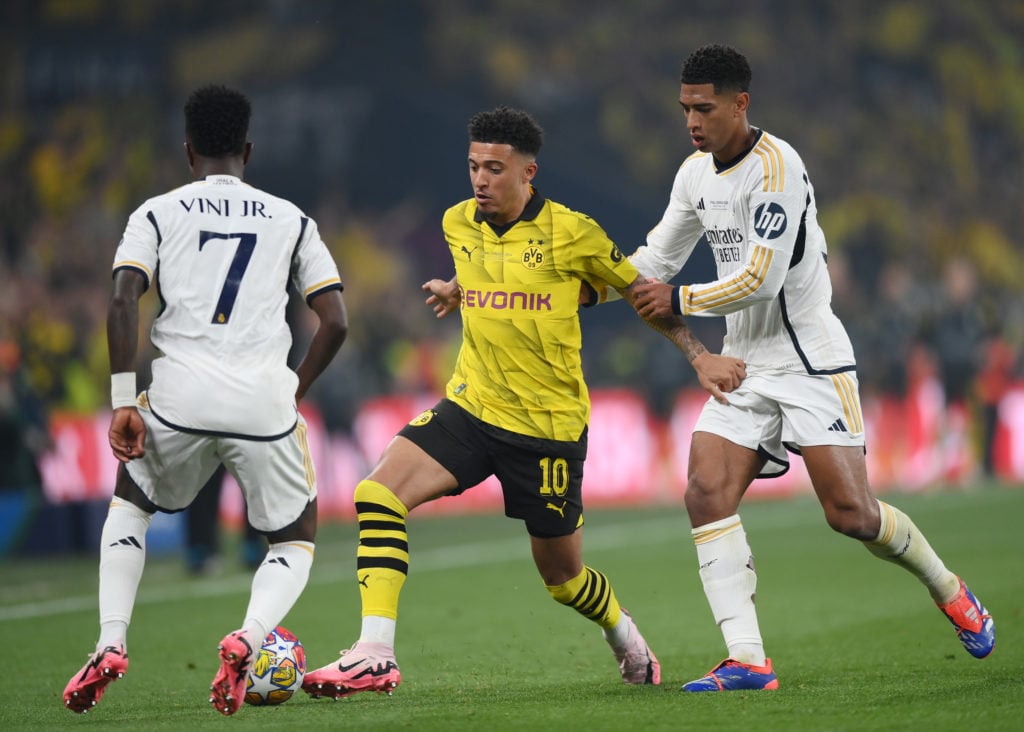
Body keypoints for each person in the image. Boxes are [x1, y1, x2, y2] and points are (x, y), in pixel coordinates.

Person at [301, 106, 744, 699]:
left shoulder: (574, 233)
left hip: (547, 430)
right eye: (473, 167)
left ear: (528, 172)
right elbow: (488, 270)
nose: (480, 180)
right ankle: (375, 652)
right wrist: (461, 289)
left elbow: (638, 293)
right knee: (377, 493)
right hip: (472, 407)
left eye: (493, 169)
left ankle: (623, 632)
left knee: (562, 578)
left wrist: (698, 355)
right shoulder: (458, 222)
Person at [626, 44, 995, 691]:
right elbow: (654, 258)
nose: (691, 120)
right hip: (743, 364)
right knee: (704, 490)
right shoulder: (693, 175)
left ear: (741, 103)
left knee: (850, 514)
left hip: (809, 361)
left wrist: (680, 298)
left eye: (704, 108)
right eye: (685, 107)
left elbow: (762, 280)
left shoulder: (779, 169)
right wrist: (587, 281)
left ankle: (948, 587)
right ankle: (748, 659)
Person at [61, 84, 348, 716]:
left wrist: (120, 401)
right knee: (294, 540)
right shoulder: (292, 219)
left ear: (187, 151)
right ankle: (248, 637)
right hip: (263, 403)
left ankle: (111, 642)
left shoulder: (156, 213)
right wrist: (293, 390)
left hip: (179, 397)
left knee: (130, 505)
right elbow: (335, 322)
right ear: (249, 149)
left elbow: (119, 302)